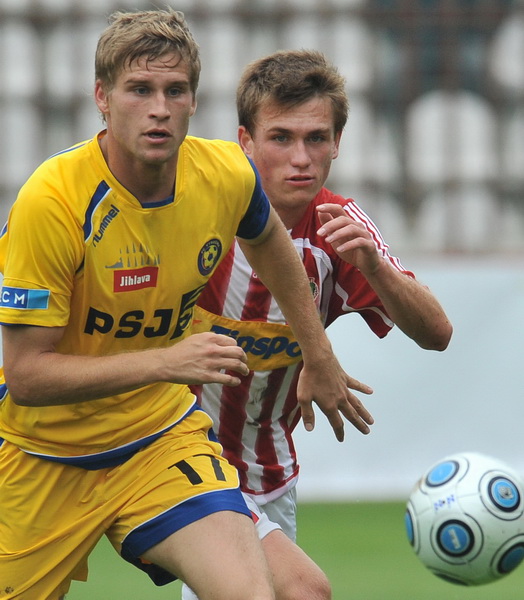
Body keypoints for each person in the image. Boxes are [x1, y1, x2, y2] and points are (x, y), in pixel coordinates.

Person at [0, 13, 376, 600]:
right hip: (41, 453)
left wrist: (317, 350)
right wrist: (166, 362)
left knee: (273, 593)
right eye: (139, 90)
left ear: (194, 101)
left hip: (158, 441)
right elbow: (26, 377)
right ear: (102, 98)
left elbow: (271, 242)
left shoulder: (224, 174)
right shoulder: (52, 201)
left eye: (175, 91)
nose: (159, 109)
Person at [184, 49, 453, 600]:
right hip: (179, 456)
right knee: (304, 591)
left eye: (316, 138)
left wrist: (375, 267)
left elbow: (437, 334)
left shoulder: (338, 226)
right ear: (245, 141)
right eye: (281, 138)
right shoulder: (197, 211)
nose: (301, 158)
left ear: (337, 144)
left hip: (267, 471)